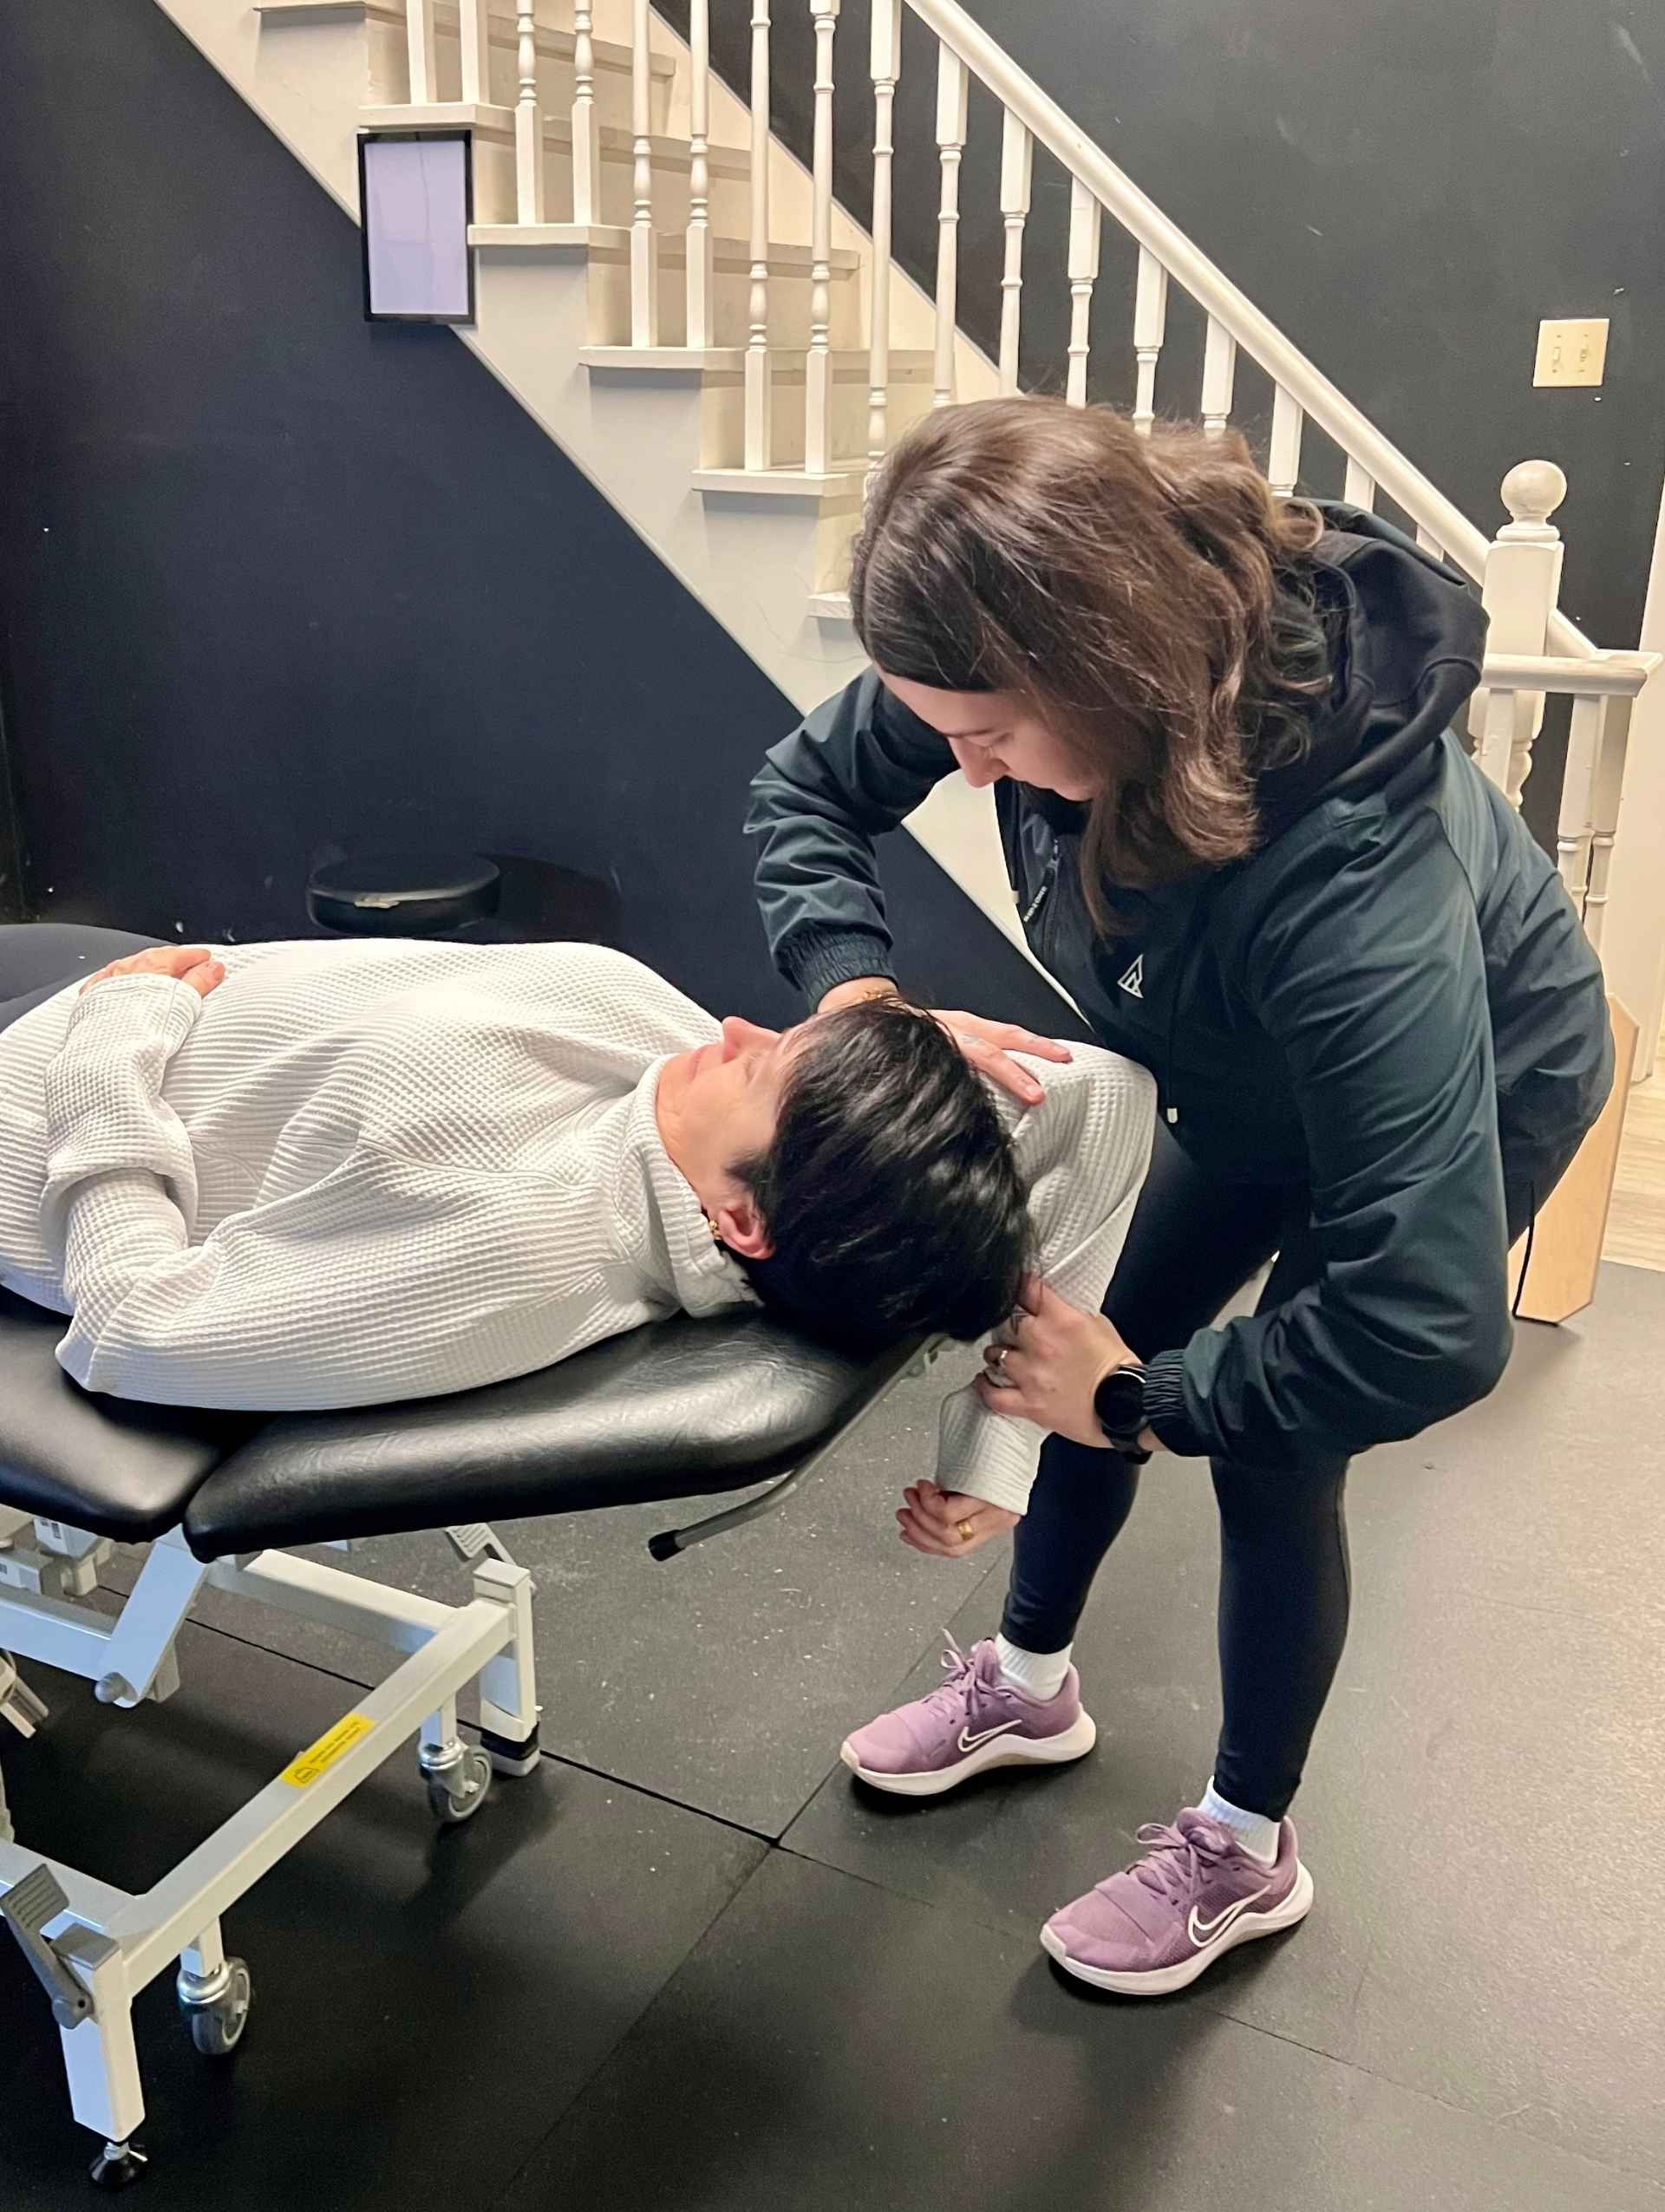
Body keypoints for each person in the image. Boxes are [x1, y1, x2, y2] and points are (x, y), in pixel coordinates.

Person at [746, 396, 1613, 1997]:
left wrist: (1147, 1399)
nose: (959, 765)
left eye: (988, 736)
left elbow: (1425, 1328)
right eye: (937, 729)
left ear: (1108, 673)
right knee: (1082, 1333)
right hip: (1235, 1066)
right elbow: (802, 795)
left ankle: (1247, 1841)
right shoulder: (1004, 665)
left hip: (1470, 1078)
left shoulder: (1354, 880)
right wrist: (857, 995)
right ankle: (1030, 1685)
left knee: (1269, 1448)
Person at [0, 928, 1152, 1530]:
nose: (740, 1026)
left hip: (54, 1090)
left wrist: (118, 1034)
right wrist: (1004, 1453)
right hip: (165, 1012)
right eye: (785, 1039)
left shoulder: (517, 1247)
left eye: (764, 1069)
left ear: (742, 1219)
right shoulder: (673, 1079)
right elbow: (1105, 1094)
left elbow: (132, 1324)